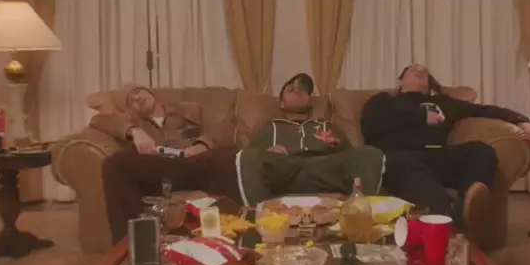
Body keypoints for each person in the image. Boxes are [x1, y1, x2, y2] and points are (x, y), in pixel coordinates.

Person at [360, 64, 530, 231]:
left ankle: (472, 201)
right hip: (399, 157)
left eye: (425, 72)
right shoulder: (383, 101)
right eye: (413, 69)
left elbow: (485, 110)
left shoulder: (443, 103)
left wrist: (524, 122)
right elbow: (370, 125)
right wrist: (420, 115)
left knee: (480, 151)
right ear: (400, 82)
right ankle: (453, 211)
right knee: (398, 164)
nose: (420, 70)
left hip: (438, 156)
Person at [95, 83, 240, 244]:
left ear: (149, 92)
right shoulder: (135, 122)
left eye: (138, 91)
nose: (137, 98)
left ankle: (235, 233)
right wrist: (134, 131)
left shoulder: (190, 109)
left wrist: (202, 145)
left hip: (199, 163)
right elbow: (98, 120)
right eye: (131, 100)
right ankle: (132, 245)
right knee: (114, 164)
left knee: (226, 155)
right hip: (164, 169)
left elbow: (224, 126)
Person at [236, 73, 385, 207]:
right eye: (291, 90)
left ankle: (362, 216)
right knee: (247, 157)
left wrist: (336, 146)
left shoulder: (326, 125)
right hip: (285, 169)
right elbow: (251, 157)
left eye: (302, 90)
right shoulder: (270, 127)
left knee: (370, 154)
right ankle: (261, 219)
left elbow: (350, 156)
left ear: (309, 100)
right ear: (281, 103)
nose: (297, 91)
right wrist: (268, 152)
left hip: (325, 167)